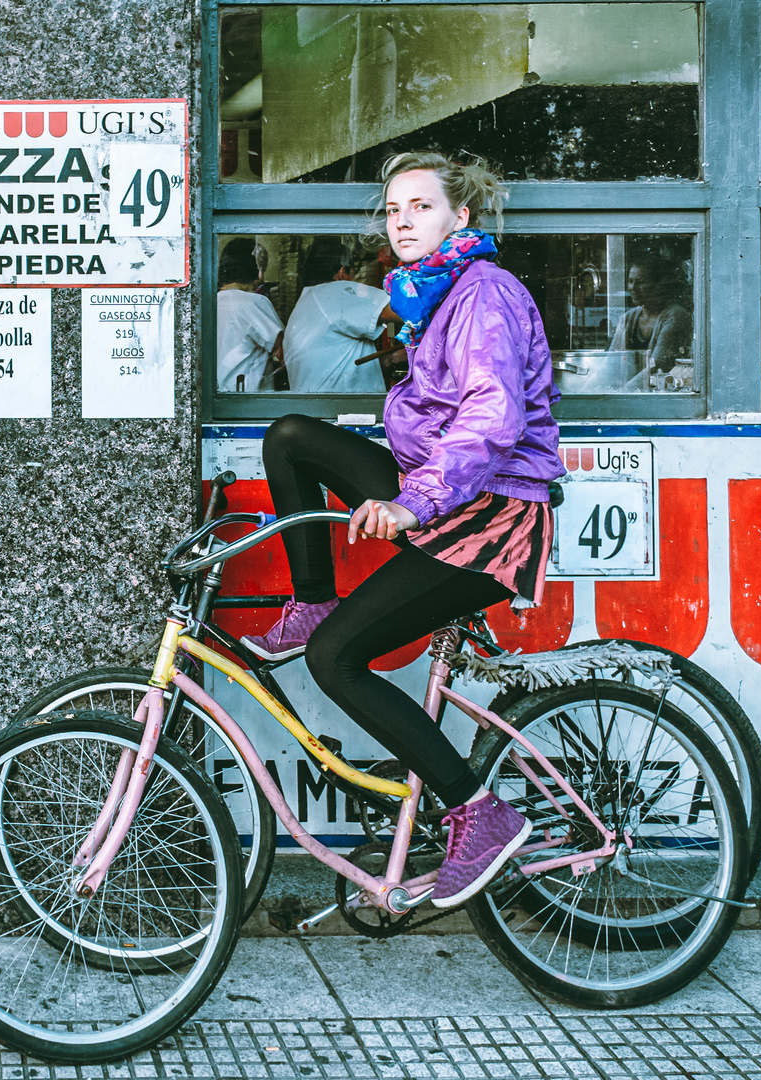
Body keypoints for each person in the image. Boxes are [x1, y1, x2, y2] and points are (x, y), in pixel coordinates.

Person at [239, 151, 565, 909]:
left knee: (335, 659)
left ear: (462, 217)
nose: (403, 221)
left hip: (489, 519)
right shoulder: (433, 298)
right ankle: (313, 596)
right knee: (291, 436)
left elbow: (492, 417)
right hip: (444, 497)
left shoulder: (484, 293)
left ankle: (475, 812)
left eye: (420, 206)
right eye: (393, 210)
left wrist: (414, 503)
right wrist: (416, 489)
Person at [282, 255, 400, 393]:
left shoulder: (308, 300)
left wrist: (392, 359)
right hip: (337, 406)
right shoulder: (337, 290)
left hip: (318, 402)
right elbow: (402, 310)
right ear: (343, 272)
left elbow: (339, 362)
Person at [215, 238, 284, 392]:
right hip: (248, 400)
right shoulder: (253, 302)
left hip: (218, 397)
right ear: (257, 271)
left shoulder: (211, 303)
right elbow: (283, 352)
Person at [609, 255, 693, 376]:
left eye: (640, 282)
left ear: (658, 284)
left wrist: (625, 392)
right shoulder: (628, 318)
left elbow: (656, 364)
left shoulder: (674, 316)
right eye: (630, 281)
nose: (633, 288)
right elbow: (611, 362)